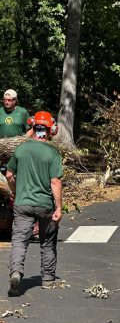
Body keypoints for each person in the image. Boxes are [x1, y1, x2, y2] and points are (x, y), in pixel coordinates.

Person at [6, 111, 63, 296]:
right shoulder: (52, 152)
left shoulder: (21, 149)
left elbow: (9, 175)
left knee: (20, 240)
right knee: (47, 242)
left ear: (33, 127)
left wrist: (15, 192)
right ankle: (47, 280)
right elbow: (55, 181)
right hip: (45, 204)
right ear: (49, 130)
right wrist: (59, 207)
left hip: (22, 204)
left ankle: (16, 273)